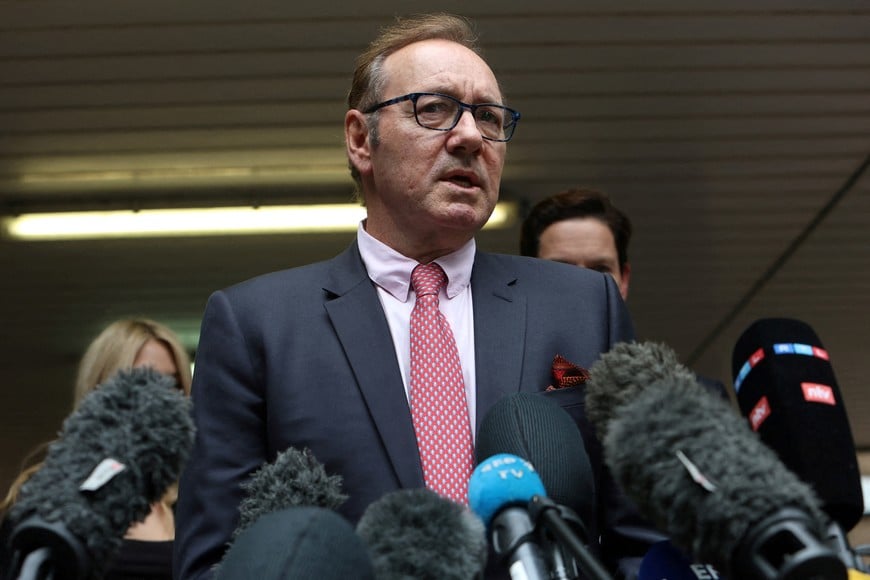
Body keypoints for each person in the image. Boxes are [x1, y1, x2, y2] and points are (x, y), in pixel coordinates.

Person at [174, 13, 652, 579]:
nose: (471, 137)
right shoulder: (257, 325)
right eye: (435, 109)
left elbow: (643, 545)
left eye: (489, 117)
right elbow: (214, 562)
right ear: (361, 139)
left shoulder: (584, 307)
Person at [1, 318, 192, 579]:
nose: (162, 398)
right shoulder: (53, 497)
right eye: (142, 381)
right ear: (101, 389)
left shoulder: (197, 497)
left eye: (173, 384)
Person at [521, 187, 729, 399]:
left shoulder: (699, 399)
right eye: (561, 269)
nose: (584, 286)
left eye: (600, 270)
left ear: (624, 281)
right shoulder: (500, 384)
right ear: (527, 282)